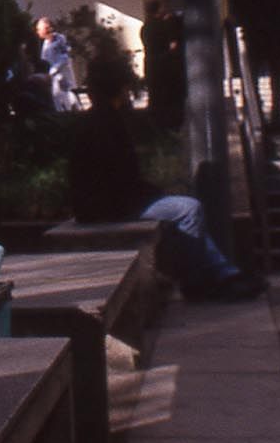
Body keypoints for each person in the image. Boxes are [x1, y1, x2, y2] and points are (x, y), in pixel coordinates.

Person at [69, 55, 262, 301]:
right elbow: (119, 179)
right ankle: (199, 282)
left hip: (104, 203)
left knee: (182, 211)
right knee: (189, 210)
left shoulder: (97, 119)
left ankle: (225, 273)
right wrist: (152, 193)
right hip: (108, 207)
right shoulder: (106, 123)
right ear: (120, 88)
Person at [140, 0, 186, 132]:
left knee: (156, 96)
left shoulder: (145, 27)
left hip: (151, 65)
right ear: (159, 9)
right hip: (166, 66)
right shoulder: (164, 25)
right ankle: (172, 127)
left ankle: (157, 127)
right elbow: (172, 44)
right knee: (170, 98)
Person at [35, 16, 75, 112]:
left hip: (62, 77)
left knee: (68, 100)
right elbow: (44, 59)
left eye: (39, 29)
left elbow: (65, 56)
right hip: (52, 79)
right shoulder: (45, 42)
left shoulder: (59, 39)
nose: (37, 32)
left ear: (47, 28)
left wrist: (53, 69)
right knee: (56, 101)